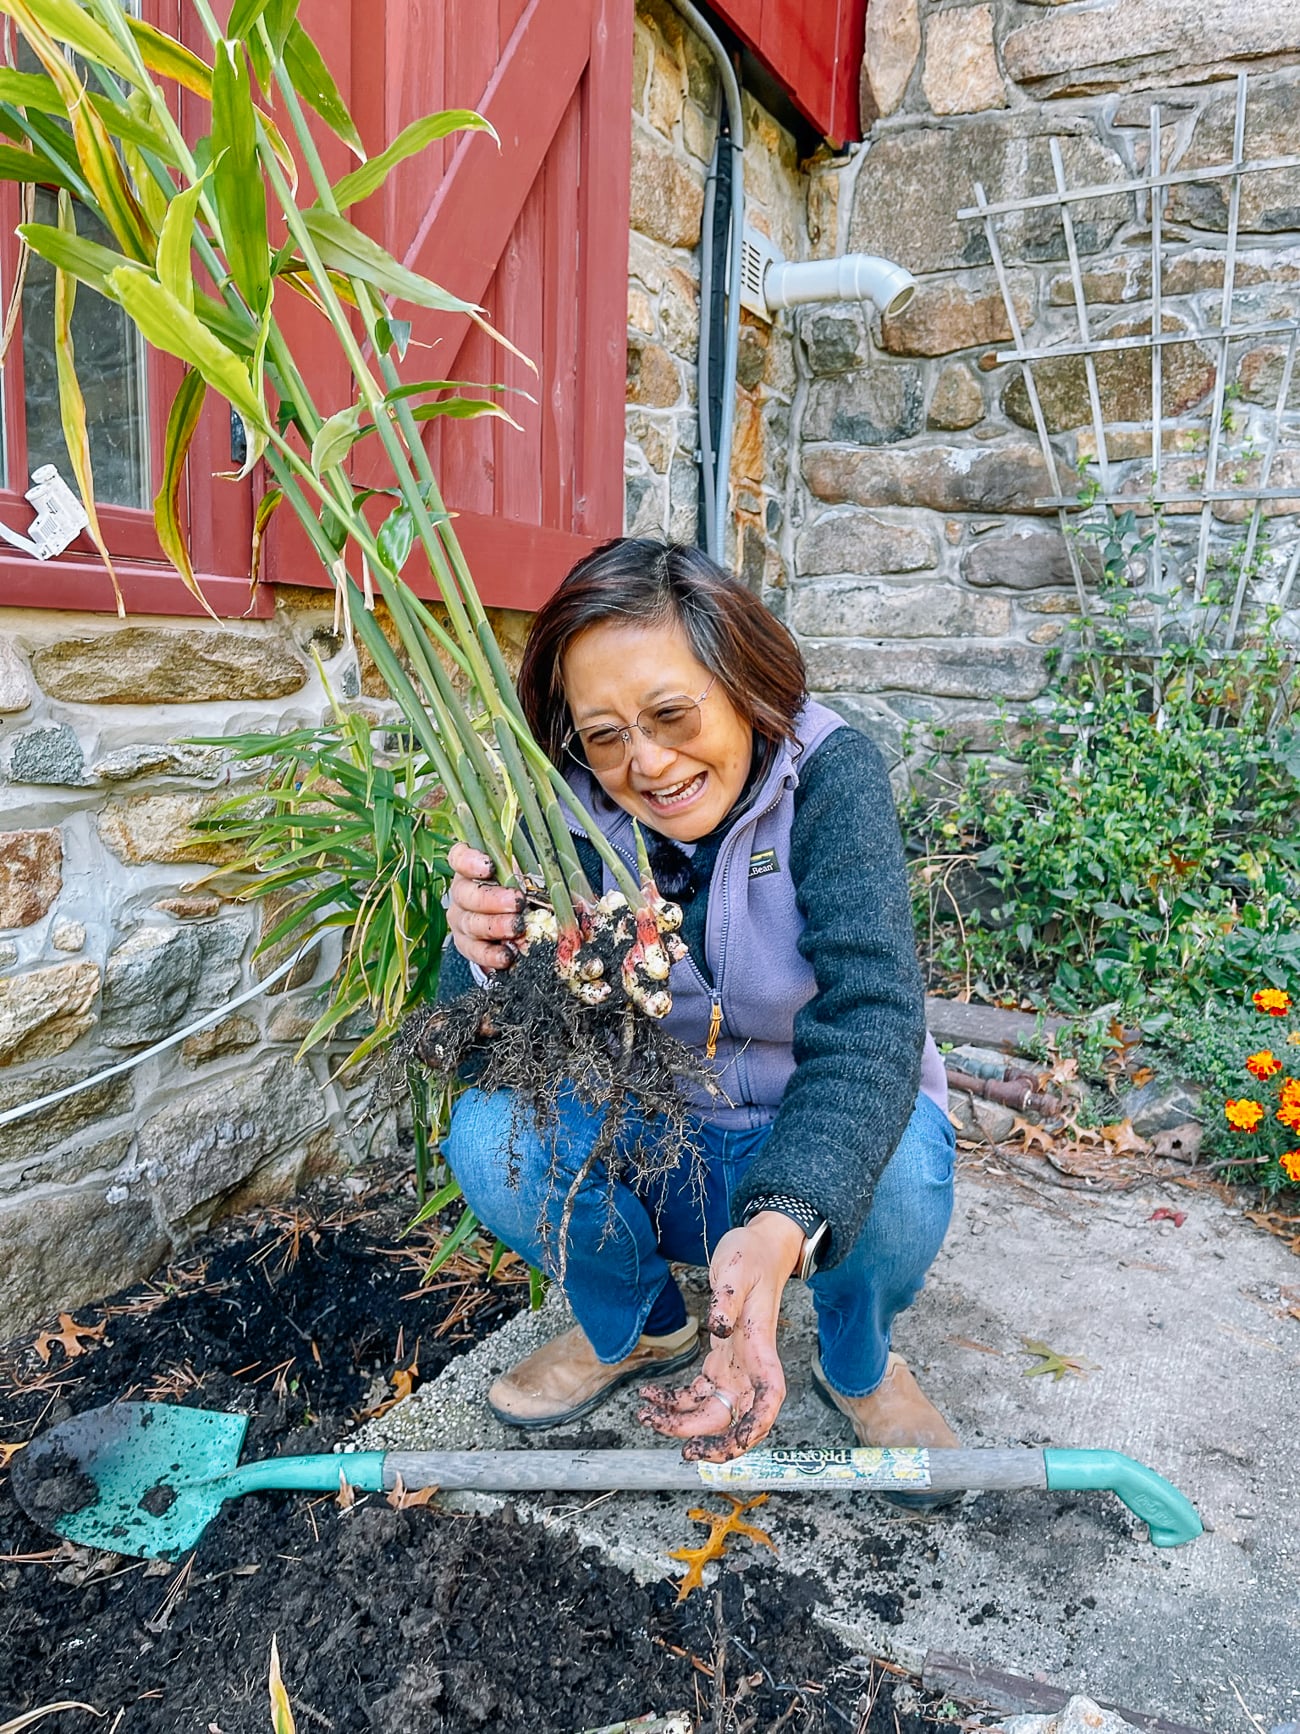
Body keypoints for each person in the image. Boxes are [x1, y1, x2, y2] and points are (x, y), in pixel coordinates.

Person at [437, 537, 958, 1482]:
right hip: (659, 1136)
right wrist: (477, 957)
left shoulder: (828, 777)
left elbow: (875, 1021)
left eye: (672, 714)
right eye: (604, 736)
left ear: (743, 680)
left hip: (814, 1132)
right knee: (487, 1133)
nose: (647, 764)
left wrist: (782, 1219)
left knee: (907, 1170)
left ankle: (857, 1362)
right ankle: (641, 1326)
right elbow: (490, 1059)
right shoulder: (568, 814)